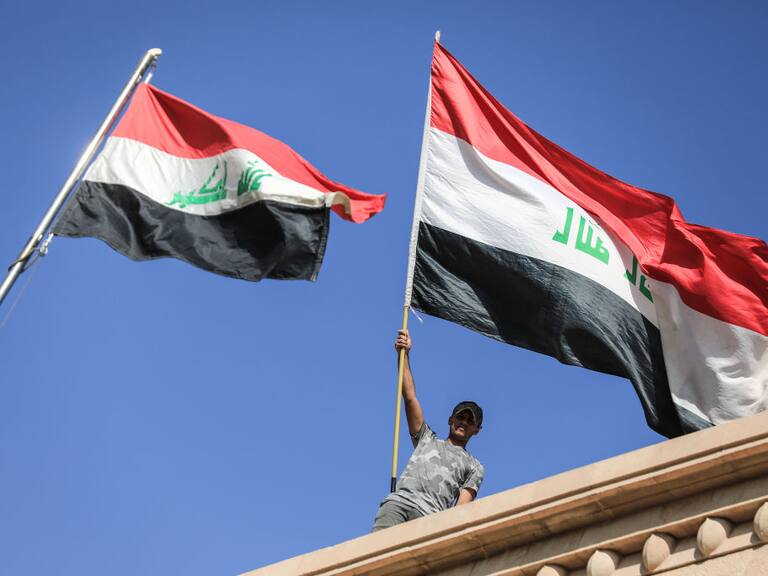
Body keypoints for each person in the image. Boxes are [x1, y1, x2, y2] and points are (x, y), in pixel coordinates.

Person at [372, 329, 484, 532]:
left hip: (428, 518)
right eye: (460, 416)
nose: (464, 422)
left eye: (470, 421)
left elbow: (462, 507)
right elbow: (410, 396)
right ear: (451, 419)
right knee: (373, 556)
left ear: (476, 430)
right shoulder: (426, 439)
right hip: (398, 504)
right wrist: (403, 354)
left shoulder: (474, 466)